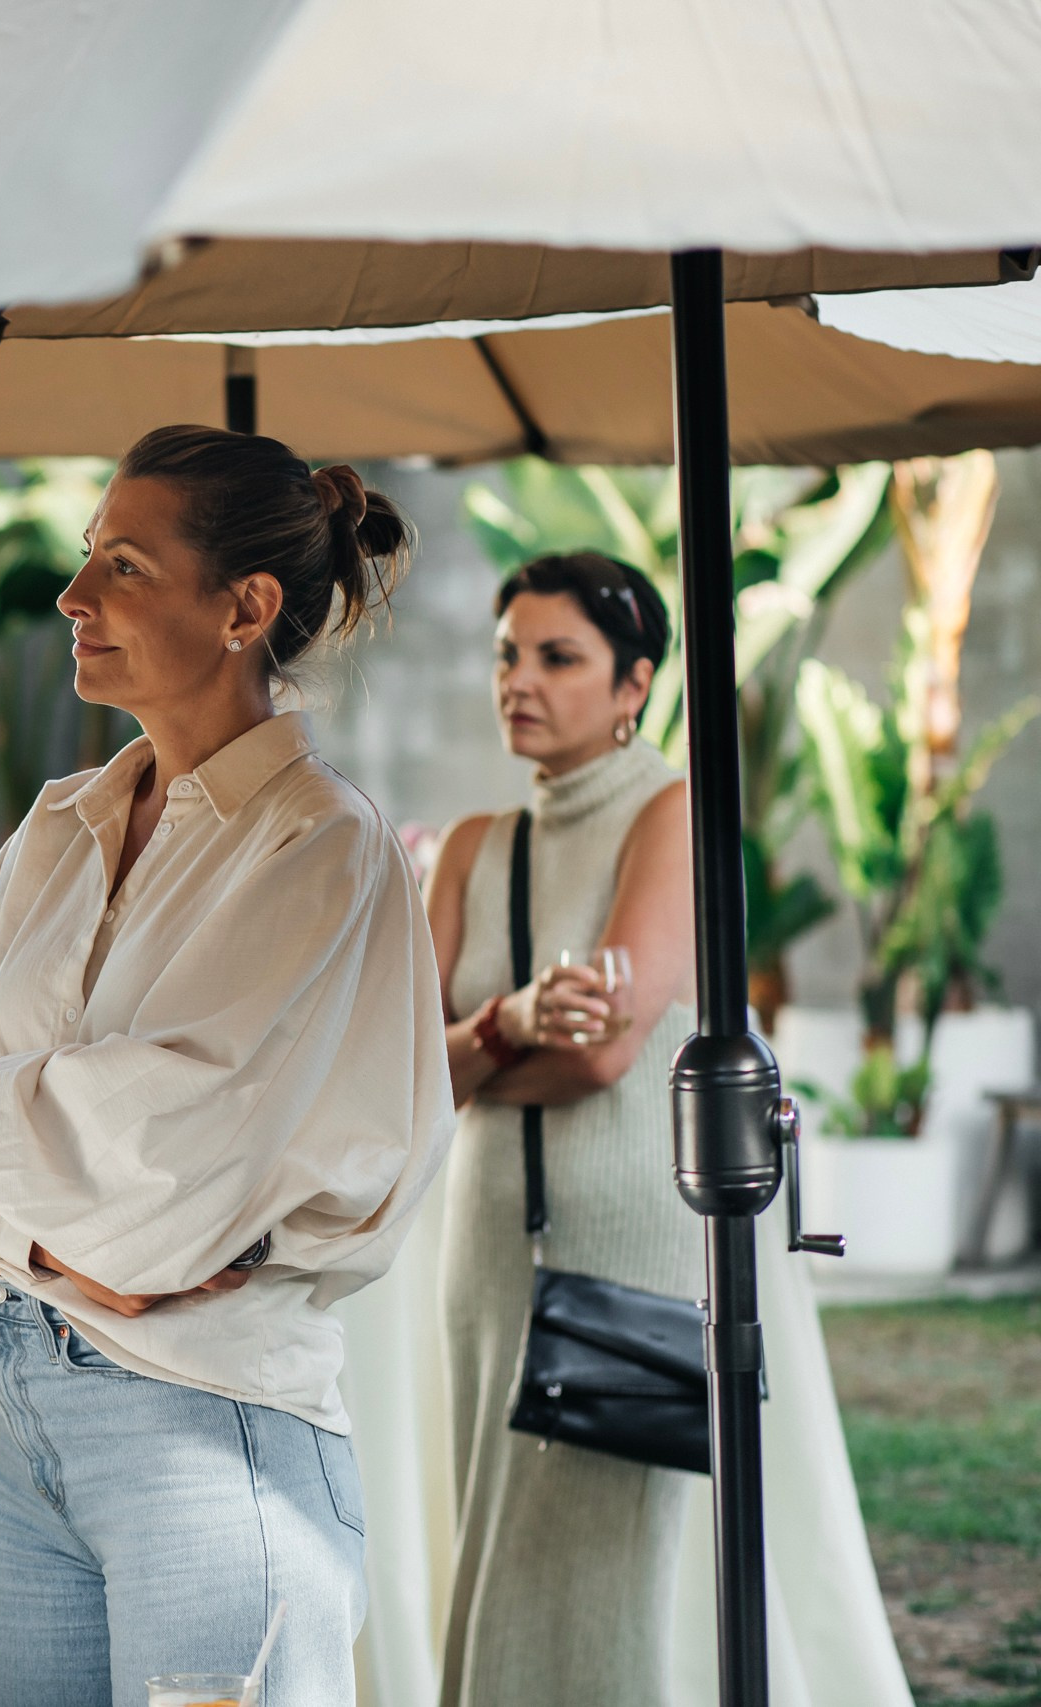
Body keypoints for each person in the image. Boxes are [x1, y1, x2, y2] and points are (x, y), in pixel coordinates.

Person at [0, 426, 454, 1707]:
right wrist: (40, 1221)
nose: (74, 598)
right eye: (84, 559)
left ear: (245, 608)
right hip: (25, 1421)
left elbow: (167, 1177)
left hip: (209, 1424)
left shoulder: (319, 850)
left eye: (122, 564)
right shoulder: (56, 831)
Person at [421, 551, 698, 1706]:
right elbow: (398, 1079)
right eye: (505, 656)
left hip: (622, 1251)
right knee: (490, 1551)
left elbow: (600, 1054)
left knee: (595, 1572)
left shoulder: (678, 811)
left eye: (557, 658)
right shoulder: (473, 848)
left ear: (632, 684)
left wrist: (479, 1051)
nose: (517, 682)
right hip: (486, 1248)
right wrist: (509, 1021)